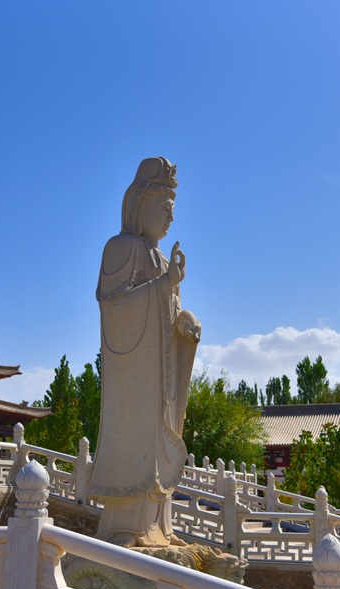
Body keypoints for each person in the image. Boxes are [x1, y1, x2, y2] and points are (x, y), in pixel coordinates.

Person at [87, 157, 201, 547]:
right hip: (136, 379)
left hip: (162, 376)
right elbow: (114, 310)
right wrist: (163, 286)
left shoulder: (161, 259)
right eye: (164, 209)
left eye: (174, 211)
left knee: (162, 439)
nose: (170, 220)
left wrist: (184, 322)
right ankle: (130, 526)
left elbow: (168, 318)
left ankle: (159, 526)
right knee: (141, 447)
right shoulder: (121, 248)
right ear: (141, 206)